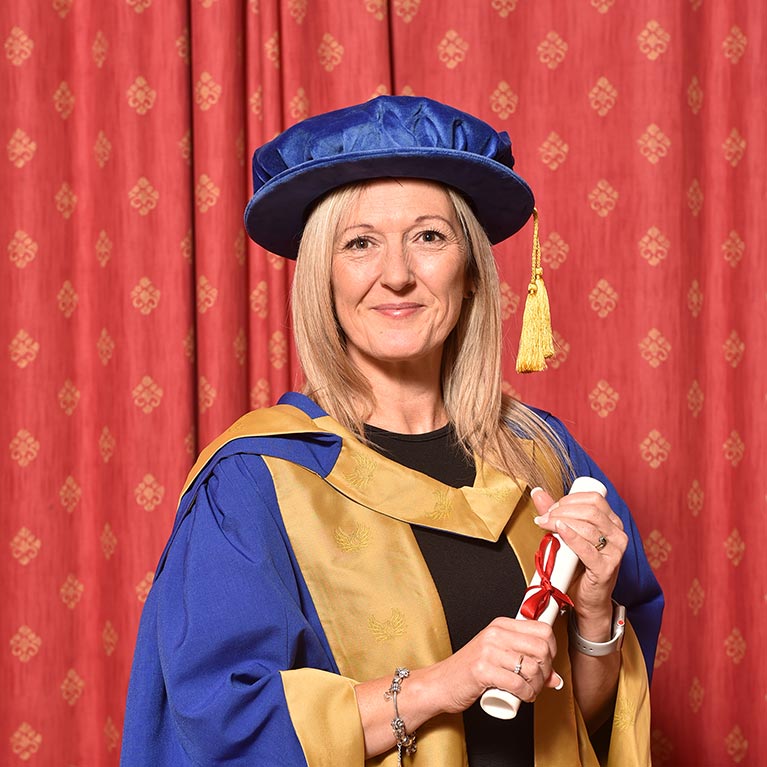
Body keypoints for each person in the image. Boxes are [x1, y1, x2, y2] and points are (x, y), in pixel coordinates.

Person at [121, 96, 663, 766]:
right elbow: (223, 727)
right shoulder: (258, 481)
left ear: (468, 275)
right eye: (359, 243)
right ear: (323, 278)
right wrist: (442, 683)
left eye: (429, 237)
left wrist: (592, 619)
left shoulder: (540, 457)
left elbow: (575, 725)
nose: (398, 272)